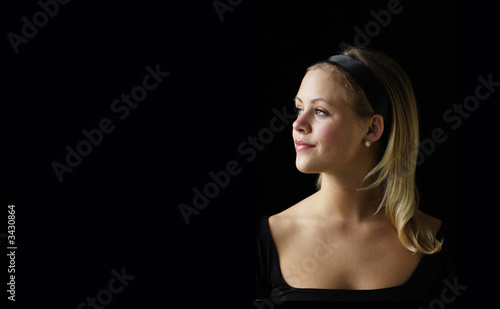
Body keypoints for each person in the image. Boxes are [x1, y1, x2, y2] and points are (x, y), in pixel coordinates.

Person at [256, 47, 455, 301]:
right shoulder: (266, 240)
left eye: (320, 111)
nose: (298, 124)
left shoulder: (438, 245)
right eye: (298, 108)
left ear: (372, 129)